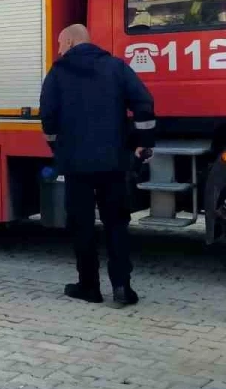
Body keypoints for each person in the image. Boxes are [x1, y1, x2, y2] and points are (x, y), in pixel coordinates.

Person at [39, 24, 155, 308]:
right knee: (117, 224)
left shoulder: (58, 73)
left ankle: (88, 286)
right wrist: (143, 141)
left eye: (58, 44)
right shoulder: (116, 67)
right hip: (114, 163)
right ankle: (122, 288)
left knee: (82, 226)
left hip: (76, 166)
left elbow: (48, 118)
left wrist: (58, 149)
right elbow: (143, 102)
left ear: (68, 42)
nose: (58, 49)